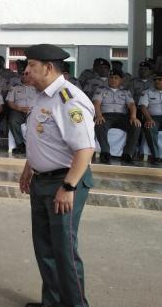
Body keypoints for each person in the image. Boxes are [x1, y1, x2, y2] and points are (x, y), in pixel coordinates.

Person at [19, 44, 95, 307]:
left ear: (49, 68)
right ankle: (52, 302)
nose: (26, 71)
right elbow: (43, 138)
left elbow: (85, 149)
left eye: (31, 66)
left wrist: (69, 186)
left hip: (63, 181)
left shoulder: (69, 99)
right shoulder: (42, 96)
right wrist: (29, 167)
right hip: (42, 179)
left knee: (64, 251)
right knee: (44, 247)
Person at [93, 69, 141, 165]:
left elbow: (131, 105)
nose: (113, 80)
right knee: (99, 124)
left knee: (136, 126)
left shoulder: (126, 91)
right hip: (105, 116)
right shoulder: (101, 90)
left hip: (122, 117)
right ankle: (105, 152)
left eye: (116, 78)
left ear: (121, 80)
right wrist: (98, 115)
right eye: (111, 77)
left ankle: (128, 153)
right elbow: (96, 103)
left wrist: (133, 117)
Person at [6, 72, 38, 155]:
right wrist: (19, 108)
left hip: (33, 111)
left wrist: (33, 109)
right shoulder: (14, 88)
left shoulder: (37, 88)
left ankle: (35, 146)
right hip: (18, 111)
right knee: (12, 121)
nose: (23, 76)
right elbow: (10, 102)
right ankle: (20, 145)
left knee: (39, 123)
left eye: (26, 74)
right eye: (22, 74)